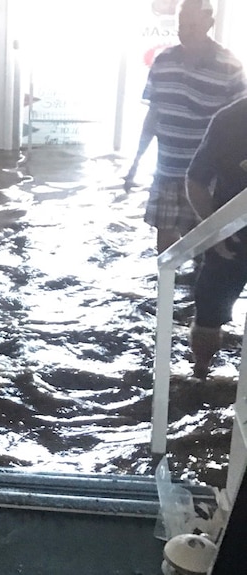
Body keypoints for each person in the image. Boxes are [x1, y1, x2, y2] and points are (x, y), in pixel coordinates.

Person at [125, 0, 245, 254]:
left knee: (208, 245)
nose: (185, 31)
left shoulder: (230, 66)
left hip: (206, 177)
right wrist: (135, 162)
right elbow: (153, 116)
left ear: (209, 24)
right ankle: (165, 292)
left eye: (192, 25)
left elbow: (239, 126)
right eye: (181, 25)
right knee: (166, 248)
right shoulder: (163, 61)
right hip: (167, 170)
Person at [185, 96, 247, 379]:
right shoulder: (229, 119)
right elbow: (196, 179)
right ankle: (200, 373)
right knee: (208, 314)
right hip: (230, 239)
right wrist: (213, 230)